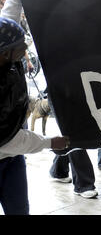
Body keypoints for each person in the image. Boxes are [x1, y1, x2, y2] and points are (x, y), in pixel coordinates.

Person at [0, 16, 69, 215]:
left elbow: (8, 19)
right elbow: (13, 141)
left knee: (20, 210)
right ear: (4, 53)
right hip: (7, 148)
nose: (26, 47)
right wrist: (50, 142)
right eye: (21, 45)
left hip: (12, 160)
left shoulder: (8, 62)